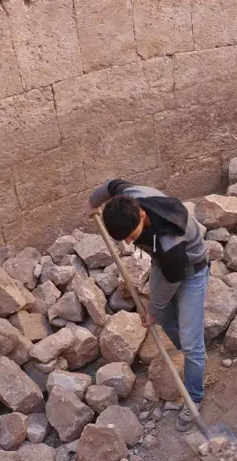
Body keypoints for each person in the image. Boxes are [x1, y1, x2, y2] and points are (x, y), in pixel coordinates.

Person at [87, 180, 209, 431]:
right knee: (165, 318)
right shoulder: (131, 197)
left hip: (190, 269)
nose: (130, 244)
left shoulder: (170, 241)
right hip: (164, 264)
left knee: (189, 338)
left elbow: (172, 281)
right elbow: (112, 186)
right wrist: (92, 203)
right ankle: (186, 350)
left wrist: (153, 309)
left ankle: (194, 396)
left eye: (132, 236)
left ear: (142, 215)